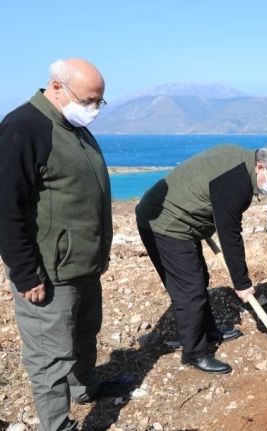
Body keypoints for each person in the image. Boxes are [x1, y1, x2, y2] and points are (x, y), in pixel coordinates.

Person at [0, 58, 134, 431]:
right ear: (56, 87)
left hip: (83, 264)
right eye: (88, 99)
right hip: (48, 272)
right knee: (50, 357)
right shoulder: (23, 127)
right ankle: (57, 425)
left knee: (84, 333)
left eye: (98, 102)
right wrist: (26, 274)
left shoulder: (71, 125)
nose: (93, 109)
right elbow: (4, 207)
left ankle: (86, 387)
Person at [136, 144, 267, 374]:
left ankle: (209, 332)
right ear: (260, 166)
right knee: (190, 291)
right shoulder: (237, 184)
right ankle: (194, 353)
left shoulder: (241, 158)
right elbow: (230, 235)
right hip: (165, 224)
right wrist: (242, 283)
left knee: (200, 279)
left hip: (181, 220)